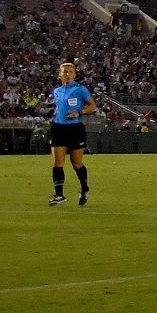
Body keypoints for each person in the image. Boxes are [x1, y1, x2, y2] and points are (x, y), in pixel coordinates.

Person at [49, 61, 95, 206]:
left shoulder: (80, 90)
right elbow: (59, 108)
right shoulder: (56, 91)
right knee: (58, 163)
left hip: (75, 129)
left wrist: (79, 112)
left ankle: (84, 188)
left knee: (76, 164)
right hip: (58, 128)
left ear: (74, 75)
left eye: (70, 72)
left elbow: (92, 106)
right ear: (60, 75)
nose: (67, 74)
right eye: (65, 72)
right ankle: (59, 195)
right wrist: (53, 118)